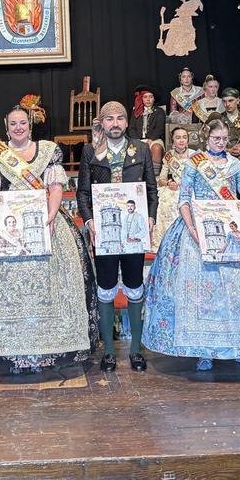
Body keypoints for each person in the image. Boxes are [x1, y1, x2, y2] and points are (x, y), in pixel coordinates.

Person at [0, 106, 98, 373]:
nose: (18, 128)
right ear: (6, 125)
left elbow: (56, 187)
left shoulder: (48, 151)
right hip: (5, 221)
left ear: (30, 124)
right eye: (13, 123)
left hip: (43, 219)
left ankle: (50, 346)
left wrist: (50, 217)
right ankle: (5, 350)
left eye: (22, 123)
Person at [144, 116, 240, 369]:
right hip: (199, 228)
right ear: (206, 137)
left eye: (225, 139)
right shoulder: (195, 163)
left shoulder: (235, 164)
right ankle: (205, 349)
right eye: (216, 139)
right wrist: (191, 227)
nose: (221, 143)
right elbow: (183, 199)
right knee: (206, 294)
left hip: (231, 228)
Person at [76, 101, 158, 372]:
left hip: (133, 233)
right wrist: (88, 221)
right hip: (104, 233)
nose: (115, 124)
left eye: (120, 118)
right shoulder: (91, 150)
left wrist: (150, 217)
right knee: (107, 287)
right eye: (109, 119)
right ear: (102, 122)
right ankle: (109, 351)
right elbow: (83, 193)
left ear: (126, 122)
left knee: (135, 286)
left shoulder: (141, 149)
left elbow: (151, 190)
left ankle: (136, 349)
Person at [154, 126, 192, 250]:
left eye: (184, 137)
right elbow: (161, 179)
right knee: (165, 200)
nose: (181, 140)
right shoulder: (168, 156)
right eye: (178, 137)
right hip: (173, 188)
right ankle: (167, 240)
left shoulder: (195, 155)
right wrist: (169, 183)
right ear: (173, 141)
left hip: (189, 189)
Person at [127, 85, 166, 169]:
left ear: (154, 99)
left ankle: (155, 175)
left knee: (156, 148)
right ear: (142, 99)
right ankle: (138, 174)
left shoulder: (159, 111)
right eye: (145, 97)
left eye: (150, 97)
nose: (148, 99)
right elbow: (131, 128)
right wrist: (137, 141)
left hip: (154, 139)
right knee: (132, 149)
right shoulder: (135, 112)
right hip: (138, 139)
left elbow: (159, 129)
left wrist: (151, 139)